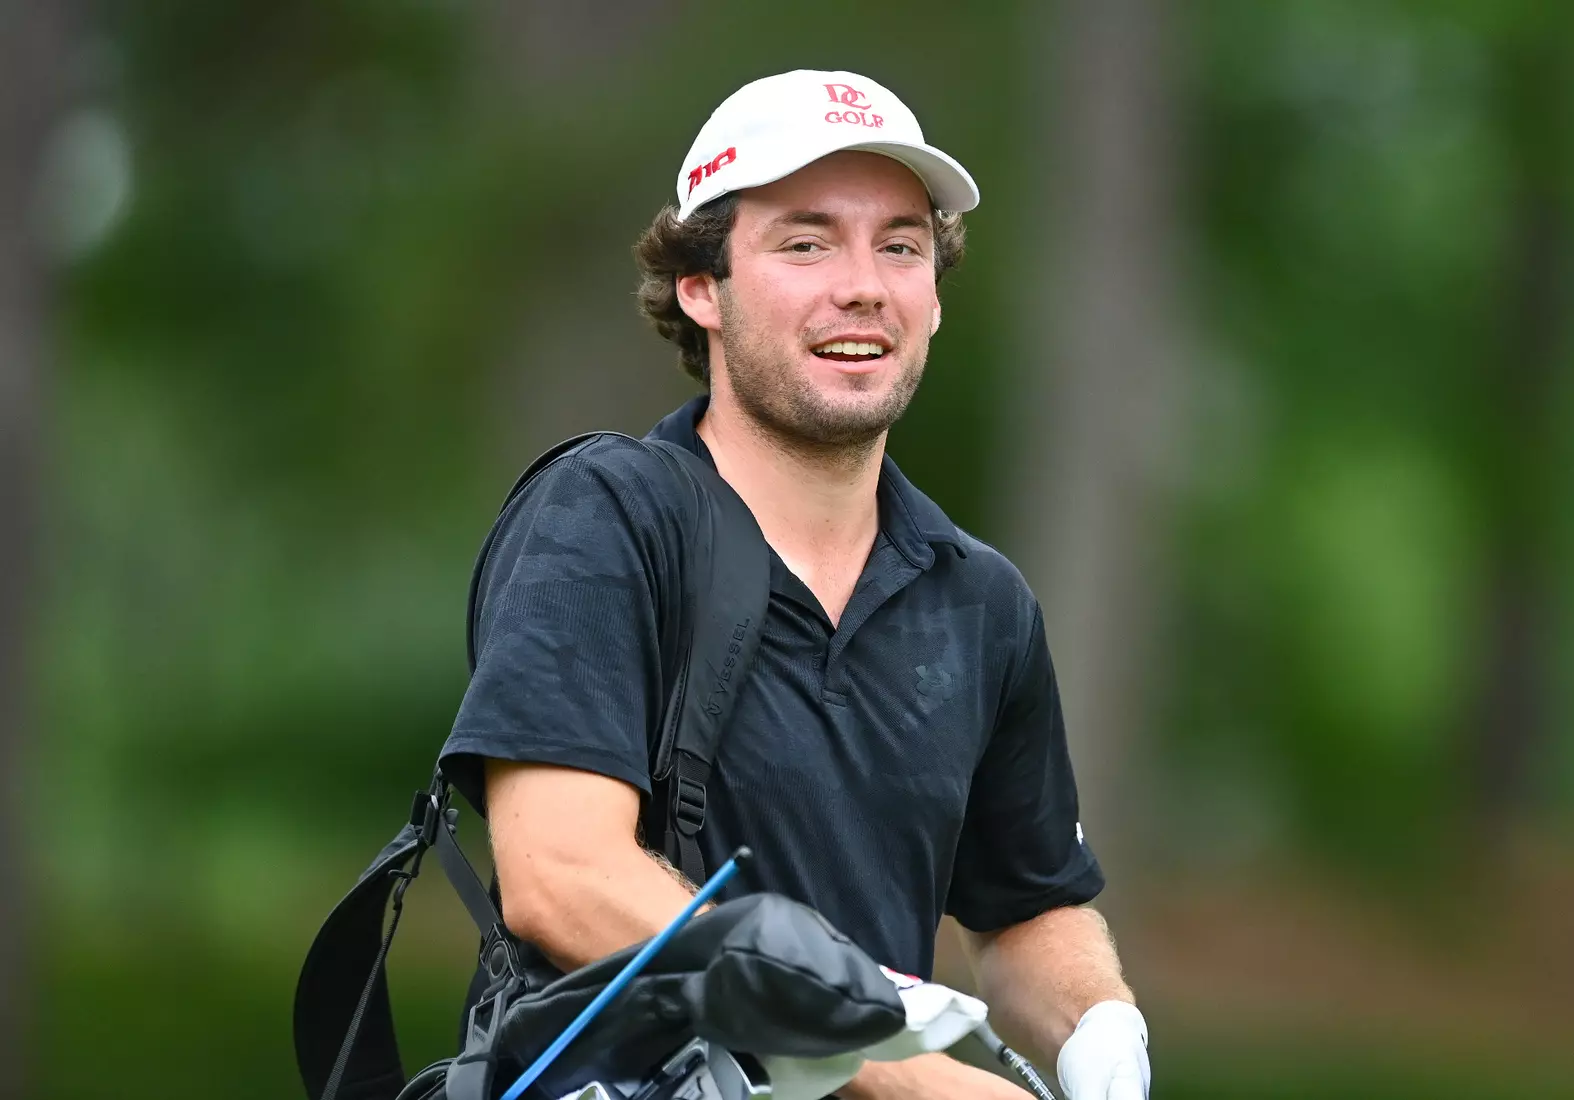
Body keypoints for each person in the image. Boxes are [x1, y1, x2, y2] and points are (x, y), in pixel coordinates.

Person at [440, 70, 1151, 1100]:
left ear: (934, 295)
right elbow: (563, 874)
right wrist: (893, 1071)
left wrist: (1101, 1024)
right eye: (806, 241)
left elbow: (1027, 906)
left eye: (900, 245)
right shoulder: (611, 517)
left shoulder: (982, 604)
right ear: (702, 286)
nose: (863, 284)